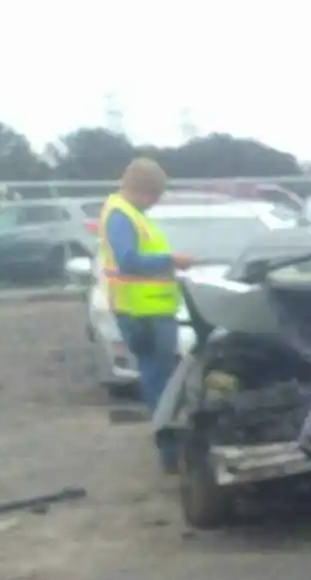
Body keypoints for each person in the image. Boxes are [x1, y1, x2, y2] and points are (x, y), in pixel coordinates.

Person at [100, 157, 194, 471]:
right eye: (155, 195)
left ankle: (171, 449)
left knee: (160, 379)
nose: (156, 202)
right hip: (143, 314)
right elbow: (128, 261)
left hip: (149, 311)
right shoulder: (121, 216)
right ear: (142, 190)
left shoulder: (129, 213)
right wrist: (171, 260)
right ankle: (171, 454)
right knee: (160, 382)